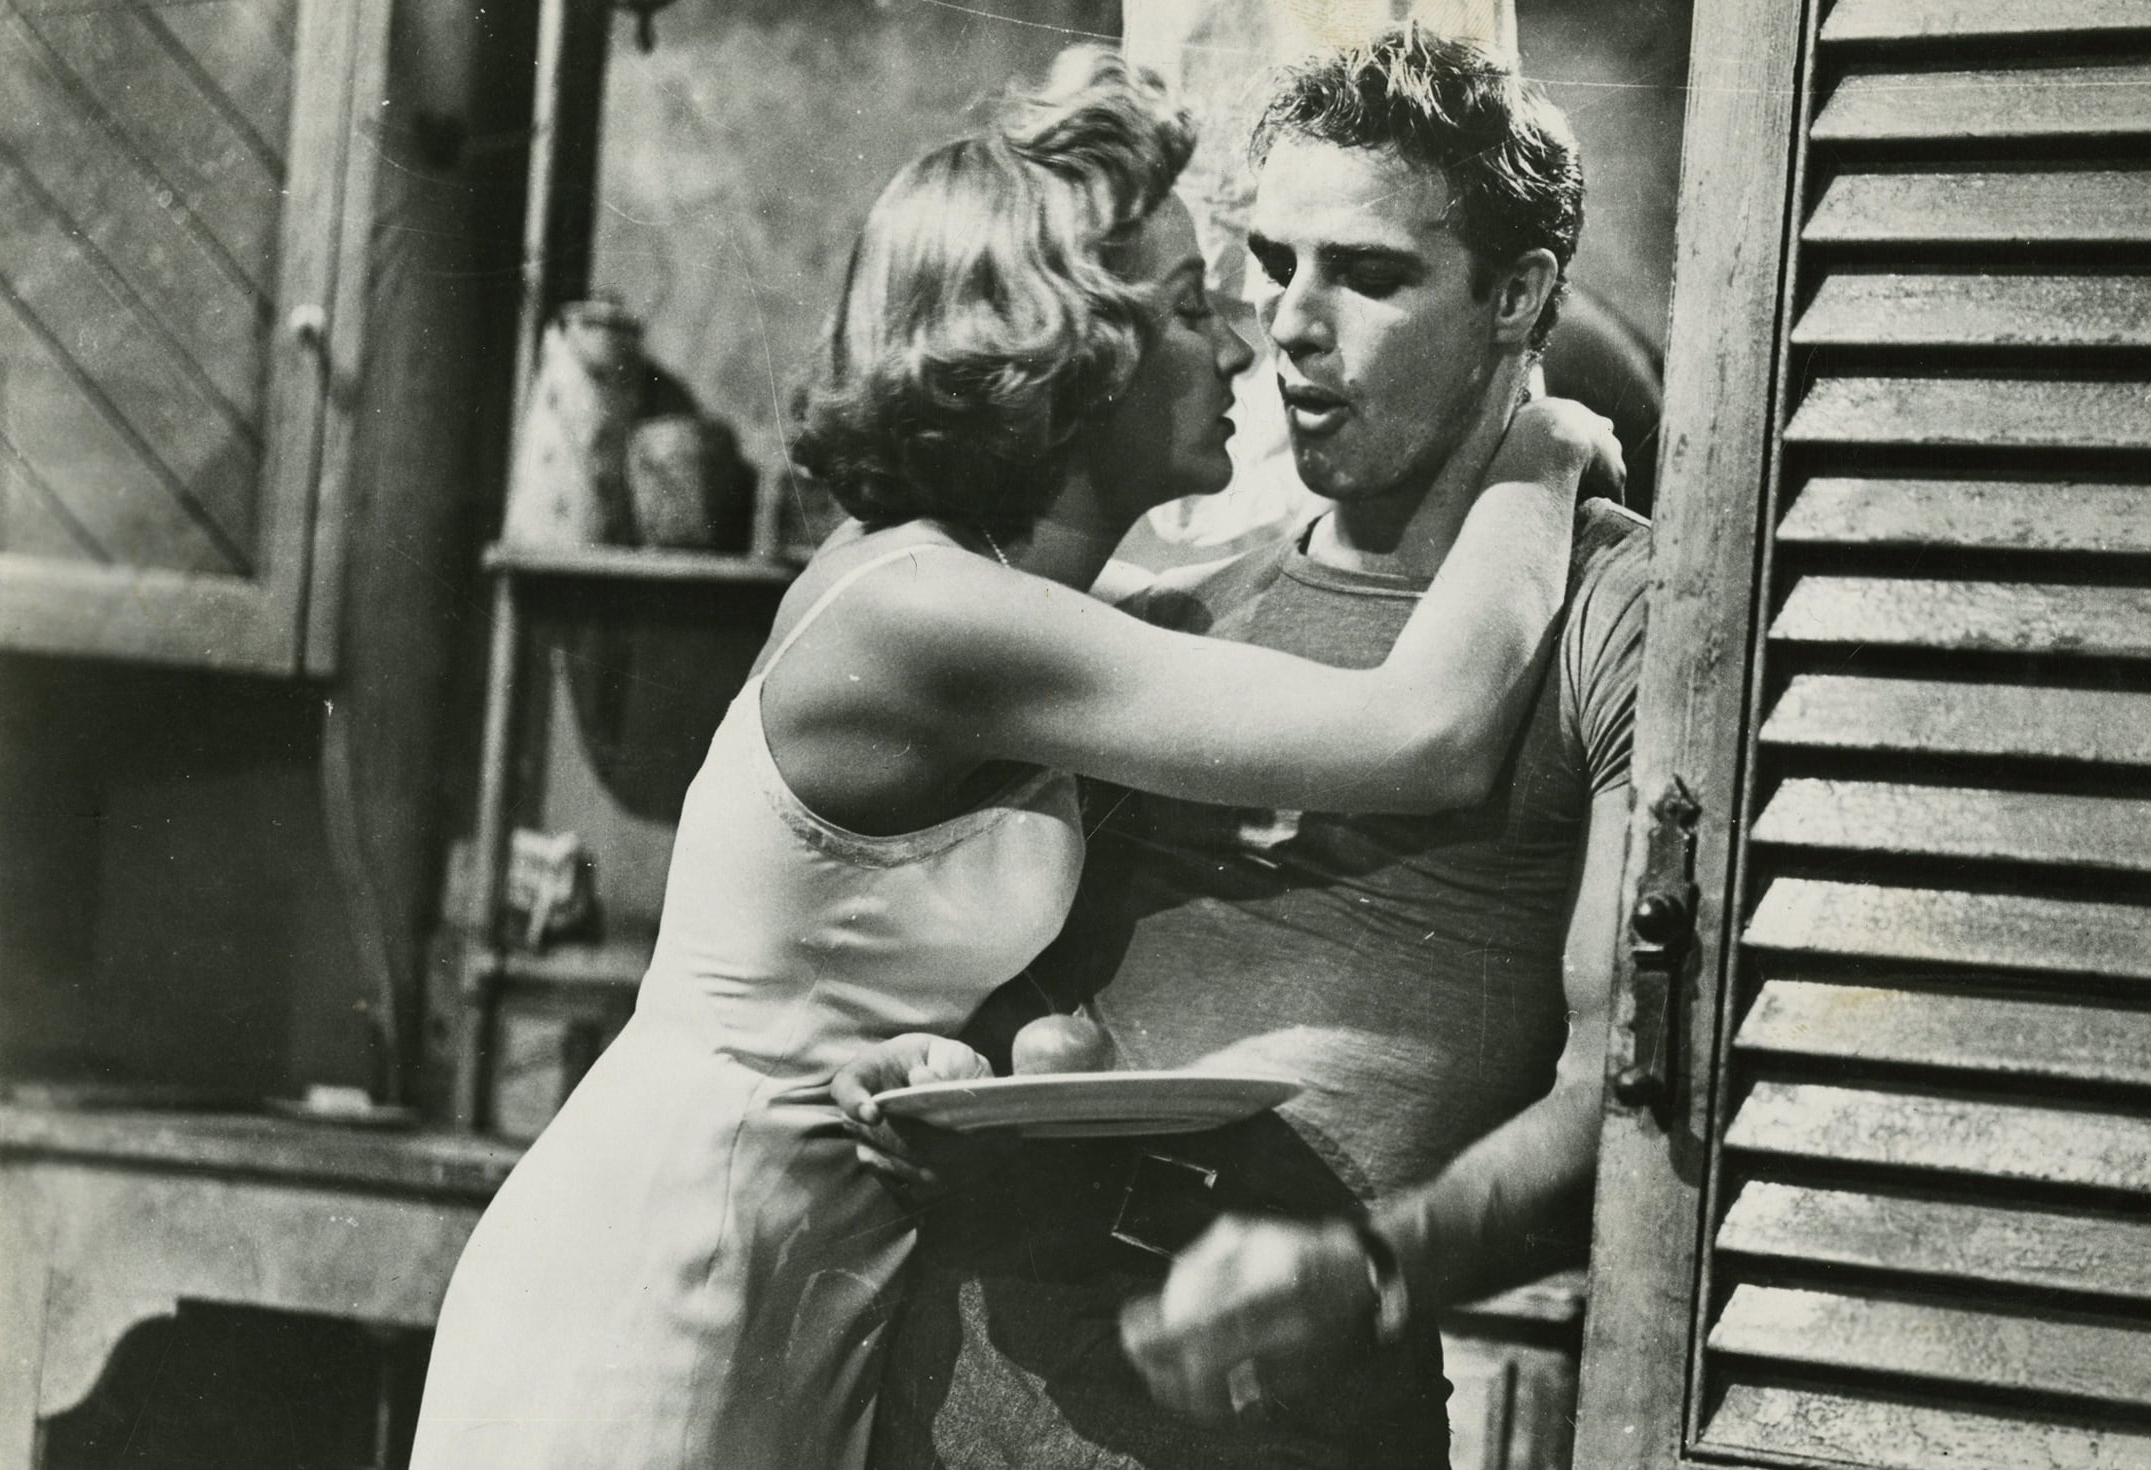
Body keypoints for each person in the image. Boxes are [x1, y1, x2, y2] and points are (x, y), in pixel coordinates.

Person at [405, 47, 1615, 1470]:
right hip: (687, 1247)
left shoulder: (1069, 623)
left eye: (1356, 275)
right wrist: (1546, 452)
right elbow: (1424, 730)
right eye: (1199, 304)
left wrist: (949, 1055)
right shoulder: (934, 616)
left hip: (836, 1256)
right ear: (1073, 352)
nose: (1251, 341)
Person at [840, 25, 1645, 1469]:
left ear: (1519, 295)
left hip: (1284, 1414)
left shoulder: (1620, 615)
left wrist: (1380, 1266)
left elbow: (1630, 1088)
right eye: (1275, 264)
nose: (1291, 324)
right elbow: (1026, 993)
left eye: (1370, 275)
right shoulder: (1183, 608)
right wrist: (934, 1069)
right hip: (976, 1378)